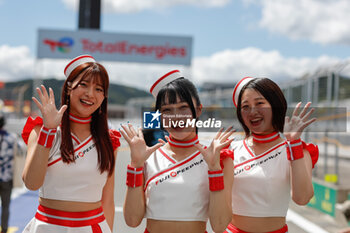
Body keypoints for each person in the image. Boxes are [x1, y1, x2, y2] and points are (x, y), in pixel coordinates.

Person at [120, 70, 234, 233]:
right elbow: (132, 220)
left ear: (199, 110)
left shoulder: (219, 156)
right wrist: (136, 165)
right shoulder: (148, 156)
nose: (176, 117)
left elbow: (219, 225)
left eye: (183, 107)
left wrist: (214, 169)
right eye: (167, 110)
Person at [21, 55, 121, 233]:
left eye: (99, 89)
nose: (90, 94)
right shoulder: (40, 130)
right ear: (68, 88)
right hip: (47, 227)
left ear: (104, 96)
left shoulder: (109, 140)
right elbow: (31, 183)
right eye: (83, 84)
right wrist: (48, 130)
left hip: (92, 228)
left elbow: (108, 200)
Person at [225, 77, 319, 233]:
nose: (252, 112)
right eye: (245, 106)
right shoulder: (229, 150)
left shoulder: (297, 150)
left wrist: (293, 143)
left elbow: (302, 198)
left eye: (260, 103)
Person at [0, 115, 17, 233]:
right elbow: (21, 150)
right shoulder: (11, 138)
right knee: (5, 206)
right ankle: (4, 229)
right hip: (7, 177)